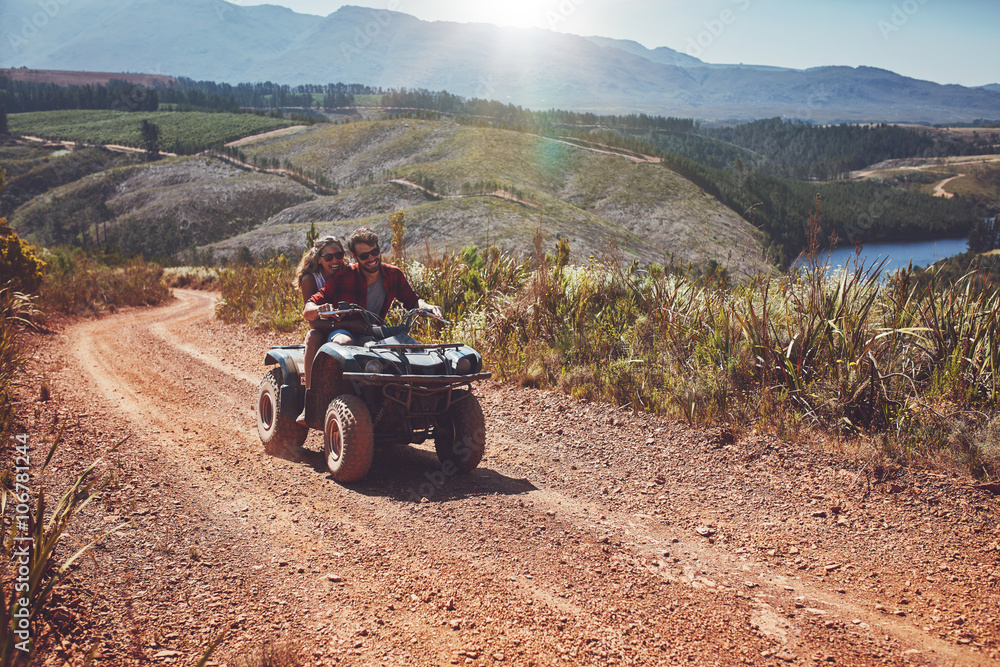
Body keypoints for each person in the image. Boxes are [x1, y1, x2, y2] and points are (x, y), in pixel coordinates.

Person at [302, 225, 442, 339]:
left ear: (379, 249)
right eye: (364, 255)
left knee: (407, 345)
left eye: (374, 252)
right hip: (345, 331)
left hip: (375, 331)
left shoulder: (394, 274)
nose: (371, 258)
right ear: (354, 256)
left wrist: (426, 307)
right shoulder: (342, 277)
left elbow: (412, 301)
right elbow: (308, 310)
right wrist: (318, 309)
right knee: (344, 343)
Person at [294, 235, 350, 424]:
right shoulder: (311, 278)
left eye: (339, 255)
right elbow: (312, 320)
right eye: (329, 258)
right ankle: (309, 402)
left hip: (345, 326)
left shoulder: (348, 273)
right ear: (319, 259)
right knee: (313, 337)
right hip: (322, 326)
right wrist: (340, 324)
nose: (335, 261)